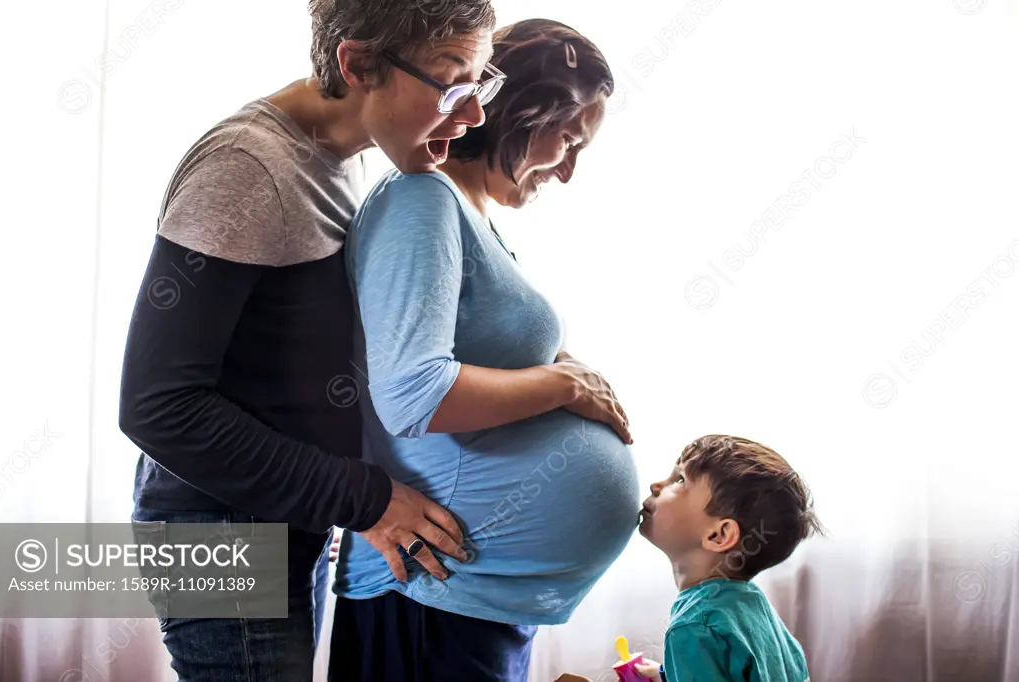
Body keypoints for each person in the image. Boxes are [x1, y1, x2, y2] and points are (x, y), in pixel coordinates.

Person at [117, 1, 500, 679]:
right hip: (220, 529)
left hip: (285, 518)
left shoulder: (346, 156)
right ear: (358, 65)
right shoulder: (247, 168)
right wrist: (368, 499)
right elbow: (157, 406)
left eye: (482, 82)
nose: (473, 115)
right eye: (453, 85)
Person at [331, 18, 639, 682]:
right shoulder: (423, 199)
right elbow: (417, 393)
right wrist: (564, 387)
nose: (568, 170)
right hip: (428, 588)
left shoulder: (467, 212)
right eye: (568, 139)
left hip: (467, 592)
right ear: (520, 108)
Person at [562, 435, 822, 682]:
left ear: (719, 535)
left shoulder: (695, 627)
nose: (657, 486)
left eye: (680, 481)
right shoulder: (751, 605)